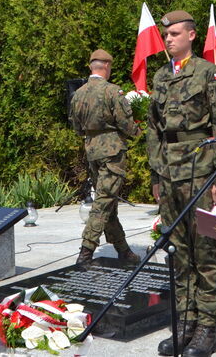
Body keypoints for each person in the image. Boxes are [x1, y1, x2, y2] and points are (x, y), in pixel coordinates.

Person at [146, 10, 216, 357]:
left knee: (206, 252)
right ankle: (185, 322)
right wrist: (156, 174)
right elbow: (154, 131)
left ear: (192, 36)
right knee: (178, 252)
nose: (168, 39)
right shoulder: (160, 77)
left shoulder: (209, 74)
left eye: (175, 34)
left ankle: (207, 329)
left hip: (200, 171)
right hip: (169, 174)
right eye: (166, 34)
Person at [71, 48, 142, 267]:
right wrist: (140, 132)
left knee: (107, 200)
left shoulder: (79, 93)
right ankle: (85, 252)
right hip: (112, 151)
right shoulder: (113, 92)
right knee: (103, 201)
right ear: (107, 66)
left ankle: (123, 250)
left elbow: (76, 126)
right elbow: (125, 123)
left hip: (92, 150)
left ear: (92, 67)